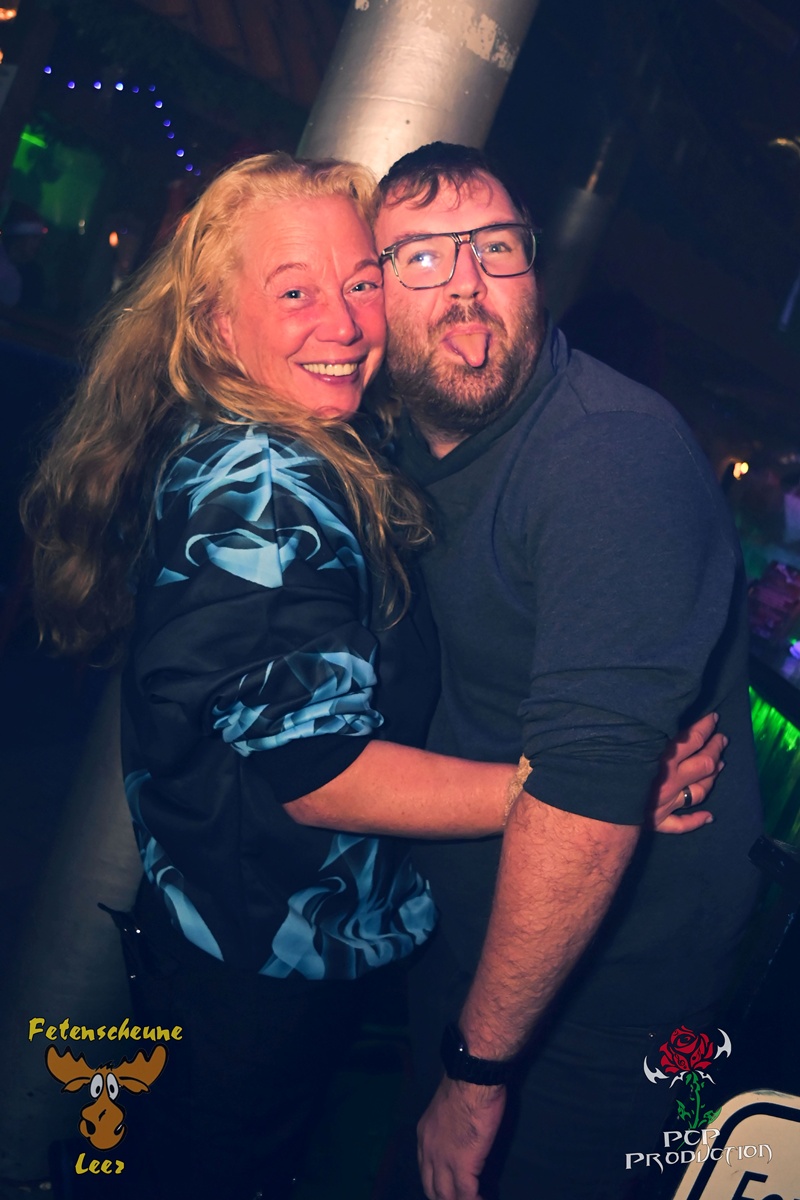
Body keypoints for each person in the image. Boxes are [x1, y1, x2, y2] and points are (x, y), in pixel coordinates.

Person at [21, 152, 722, 1200]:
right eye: (294, 293)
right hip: (254, 963)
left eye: (357, 283)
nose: (344, 323)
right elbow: (320, 771)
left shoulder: (340, 441)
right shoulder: (263, 485)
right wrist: (565, 792)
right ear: (217, 325)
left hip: (261, 940)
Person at [371, 143, 763, 1200]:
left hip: (603, 1001)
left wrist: (476, 1074)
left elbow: (584, 800)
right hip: (464, 947)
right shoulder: (395, 448)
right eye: (421, 256)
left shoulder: (608, 457)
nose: (466, 282)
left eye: (495, 247)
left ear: (533, 268)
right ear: (373, 296)